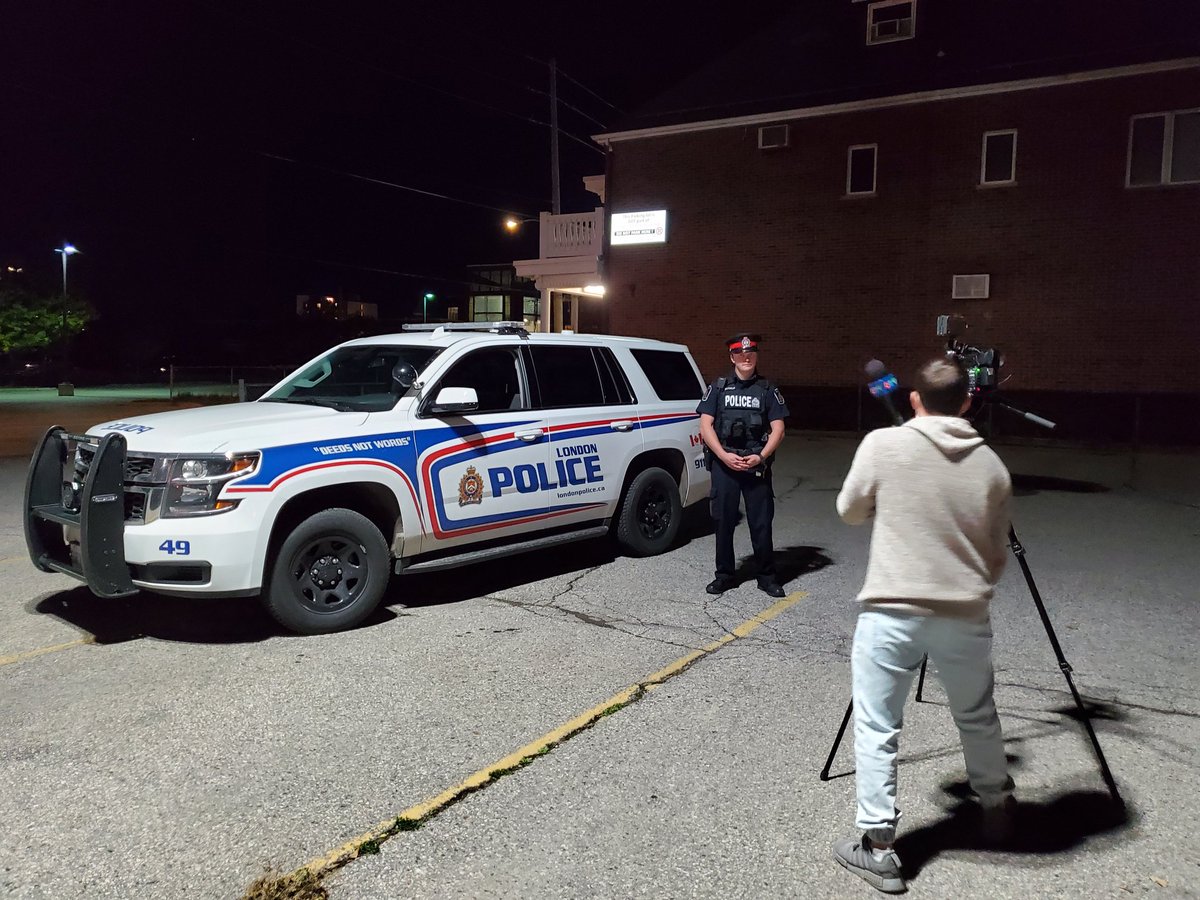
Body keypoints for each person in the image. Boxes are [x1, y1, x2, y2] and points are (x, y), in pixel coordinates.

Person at [832, 355, 1014, 894]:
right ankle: (997, 808)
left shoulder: (882, 446)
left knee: (877, 725)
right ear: (968, 402)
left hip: (891, 612)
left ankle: (880, 847)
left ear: (915, 399)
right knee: (977, 715)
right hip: (964, 613)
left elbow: (848, 510)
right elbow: (997, 556)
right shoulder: (992, 467)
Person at [696, 333, 789, 598]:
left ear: (756, 355)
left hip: (754, 465)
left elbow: (778, 429)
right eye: (739, 354)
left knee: (761, 524)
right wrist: (723, 456)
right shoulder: (719, 387)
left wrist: (761, 457)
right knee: (723, 522)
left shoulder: (768, 390)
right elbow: (705, 425)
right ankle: (724, 576)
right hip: (725, 466)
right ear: (732, 357)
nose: (745, 357)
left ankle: (767, 577)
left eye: (750, 353)